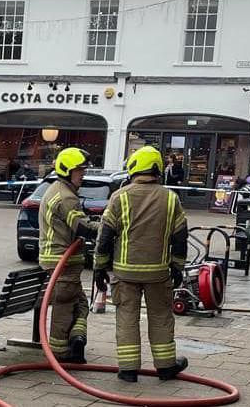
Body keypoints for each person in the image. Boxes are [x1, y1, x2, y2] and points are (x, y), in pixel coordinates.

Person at [94, 145, 189, 383]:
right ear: (157, 169)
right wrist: (177, 266)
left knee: (126, 317)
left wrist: (99, 267)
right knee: (161, 317)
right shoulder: (170, 198)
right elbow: (180, 237)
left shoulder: (120, 196)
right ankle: (166, 366)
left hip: (125, 272)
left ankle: (128, 370)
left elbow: (105, 237)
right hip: (158, 272)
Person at [39, 147, 99, 363]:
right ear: (66, 170)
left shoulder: (57, 190)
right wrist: (107, 227)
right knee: (64, 308)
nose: (83, 174)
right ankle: (59, 353)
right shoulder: (65, 197)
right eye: (79, 170)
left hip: (59, 261)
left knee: (81, 303)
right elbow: (82, 227)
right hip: (61, 262)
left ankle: (77, 339)